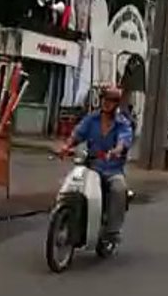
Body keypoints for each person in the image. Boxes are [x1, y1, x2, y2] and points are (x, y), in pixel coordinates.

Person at [57, 85, 133, 246]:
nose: (107, 103)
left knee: (119, 188)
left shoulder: (122, 123)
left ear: (117, 104)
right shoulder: (92, 119)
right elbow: (77, 134)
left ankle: (112, 230)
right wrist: (66, 146)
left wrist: (117, 150)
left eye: (112, 100)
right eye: (105, 99)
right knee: (72, 183)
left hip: (112, 169)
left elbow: (124, 140)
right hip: (91, 166)